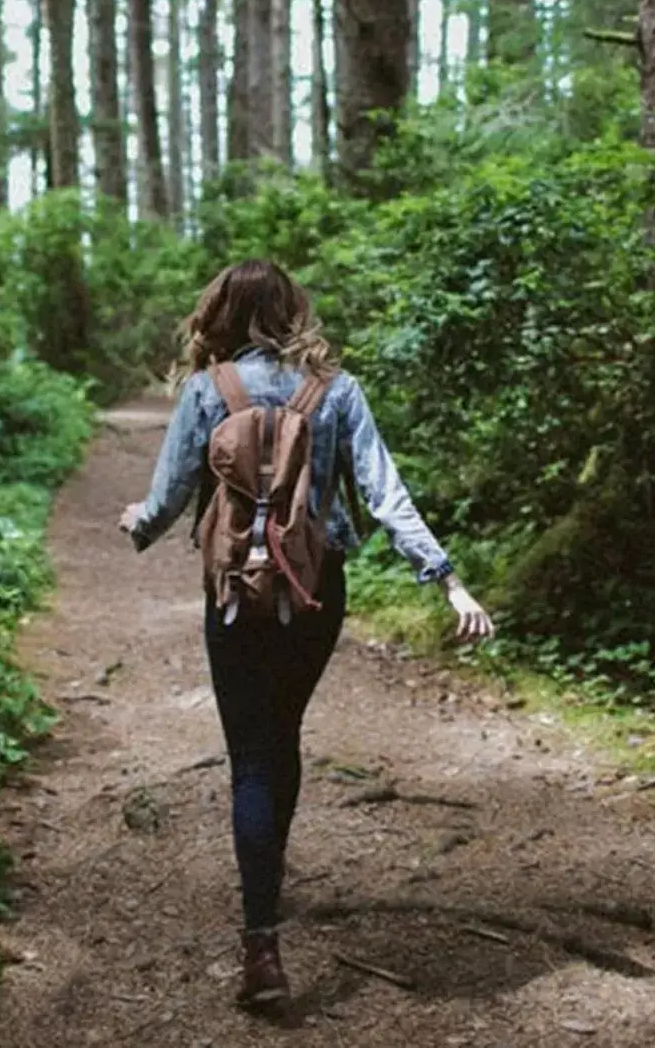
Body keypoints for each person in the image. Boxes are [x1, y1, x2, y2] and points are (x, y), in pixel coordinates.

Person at [117, 258, 495, 1011]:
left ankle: (262, 942)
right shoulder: (337, 391)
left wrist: (135, 524)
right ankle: (269, 878)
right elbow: (386, 494)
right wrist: (449, 579)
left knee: (251, 754)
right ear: (293, 312)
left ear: (219, 313)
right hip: (315, 592)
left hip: (233, 597)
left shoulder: (205, 390)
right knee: (280, 735)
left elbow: (164, 504)